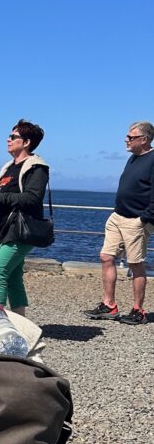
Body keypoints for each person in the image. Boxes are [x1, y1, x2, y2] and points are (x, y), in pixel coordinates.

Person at [84, 121, 154, 324]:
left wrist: (144, 218)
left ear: (144, 139)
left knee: (135, 264)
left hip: (136, 220)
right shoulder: (133, 158)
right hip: (118, 216)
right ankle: (109, 305)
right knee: (106, 256)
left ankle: (138, 310)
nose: (126, 139)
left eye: (131, 137)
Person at [0, 120, 49, 316]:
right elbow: (7, 195)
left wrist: (0, 197)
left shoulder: (36, 168)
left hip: (20, 229)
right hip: (5, 228)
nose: (8, 140)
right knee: (13, 277)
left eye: (13, 137)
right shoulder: (9, 167)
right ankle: (21, 322)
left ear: (26, 142)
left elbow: (32, 198)